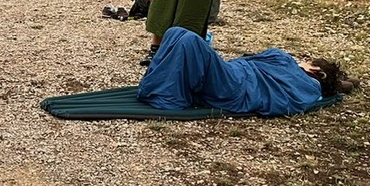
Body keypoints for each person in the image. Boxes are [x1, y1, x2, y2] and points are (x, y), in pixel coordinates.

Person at [137, 26, 355, 116]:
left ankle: (166, 96)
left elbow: (282, 100)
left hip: (236, 86)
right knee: (175, 32)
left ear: (316, 71)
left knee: (188, 40)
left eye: (307, 61)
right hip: (235, 76)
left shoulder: (306, 85)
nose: (302, 61)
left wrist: (288, 62)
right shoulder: (300, 79)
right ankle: (159, 87)